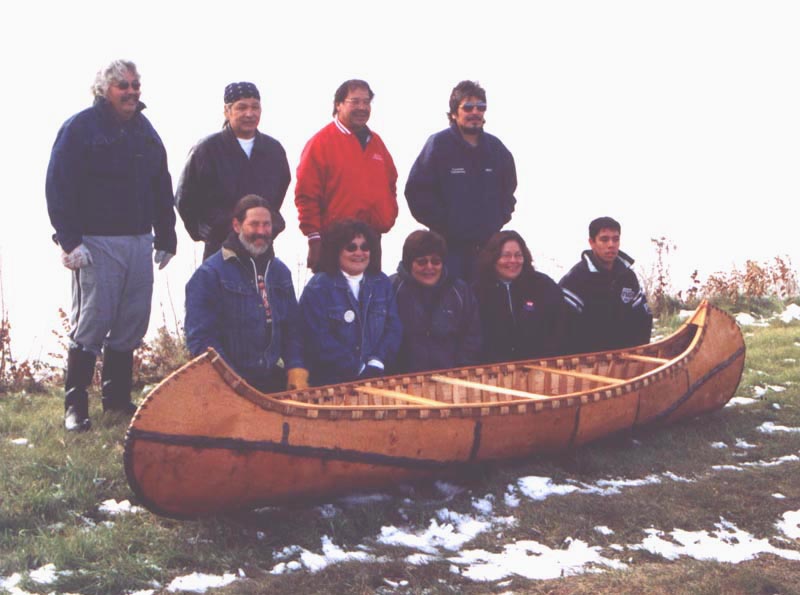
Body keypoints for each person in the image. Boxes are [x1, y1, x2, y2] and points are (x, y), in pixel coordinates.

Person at [45, 59, 177, 431]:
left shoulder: (145, 131)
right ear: (104, 90)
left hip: (139, 239)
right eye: (123, 85)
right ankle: (75, 406)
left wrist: (166, 235)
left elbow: (161, 185)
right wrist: (69, 241)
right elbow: (58, 186)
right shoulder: (79, 129)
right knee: (93, 322)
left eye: (136, 85)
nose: (132, 92)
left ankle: (117, 401)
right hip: (96, 242)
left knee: (132, 321)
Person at [184, 195, 307, 392]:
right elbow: (201, 340)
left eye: (266, 225)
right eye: (254, 224)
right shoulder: (210, 274)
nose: (261, 231)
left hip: (267, 377)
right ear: (236, 225)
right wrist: (235, 382)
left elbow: (292, 330)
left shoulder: (281, 273)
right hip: (225, 381)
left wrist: (296, 367)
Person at [405, 80, 517, 281]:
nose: (475, 112)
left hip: (486, 248)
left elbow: (508, 191)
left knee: (483, 303)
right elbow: (416, 192)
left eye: (480, 107)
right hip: (448, 249)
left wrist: (497, 220)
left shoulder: (496, 149)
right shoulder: (438, 145)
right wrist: (446, 227)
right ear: (454, 113)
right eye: (468, 107)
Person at [175, 81, 290, 261]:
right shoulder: (207, 149)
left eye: (255, 107)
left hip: (261, 245)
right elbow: (184, 197)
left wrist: (269, 224)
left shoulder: (273, 150)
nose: (249, 113)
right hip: (219, 246)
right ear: (227, 111)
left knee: (262, 288)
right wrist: (204, 230)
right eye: (241, 107)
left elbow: (280, 190)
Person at [295, 79, 398, 271]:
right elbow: (306, 194)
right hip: (335, 241)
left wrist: (387, 215)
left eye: (366, 102)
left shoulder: (377, 143)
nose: (362, 107)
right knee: (333, 298)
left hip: (371, 240)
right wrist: (313, 238)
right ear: (338, 104)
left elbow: (391, 183)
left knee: (371, 297)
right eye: (355, 101)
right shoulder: (321, 143)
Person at [299, 219, 401, 386]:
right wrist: (358, 368)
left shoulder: (382, 283)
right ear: (335, 251)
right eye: (351, 247)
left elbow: (393, 327)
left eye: (365, 247)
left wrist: (377, 362)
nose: (359, 253)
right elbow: (317, 338)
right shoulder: (318, 287)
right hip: (331, 383)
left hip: (376, 378)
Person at [391, 230, 481, 373]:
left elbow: (472, 335)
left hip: (451, 377)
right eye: (421, 262)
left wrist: (461, 369)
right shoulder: (392, 289)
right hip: (404, 380)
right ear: (409, 263)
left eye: (436, 261)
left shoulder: (460, 291)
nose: (429, 267)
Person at [559, 216, 653, 354]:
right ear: (591, 242)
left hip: (626, 359)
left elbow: (643, 319)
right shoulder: (574, 280)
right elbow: (563, 329)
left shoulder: (628, 277)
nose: (611, 245)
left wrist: (636, 352)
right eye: (604, 239)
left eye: (616, 239)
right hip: (587, 362)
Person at [474, 231, 564, 363]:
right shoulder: (478, 291)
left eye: (518, 255)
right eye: (506, 256)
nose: (513, 261)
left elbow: (559, 327)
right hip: (494, 372)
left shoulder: (544, 286)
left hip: (539, 368)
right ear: (493, 258)